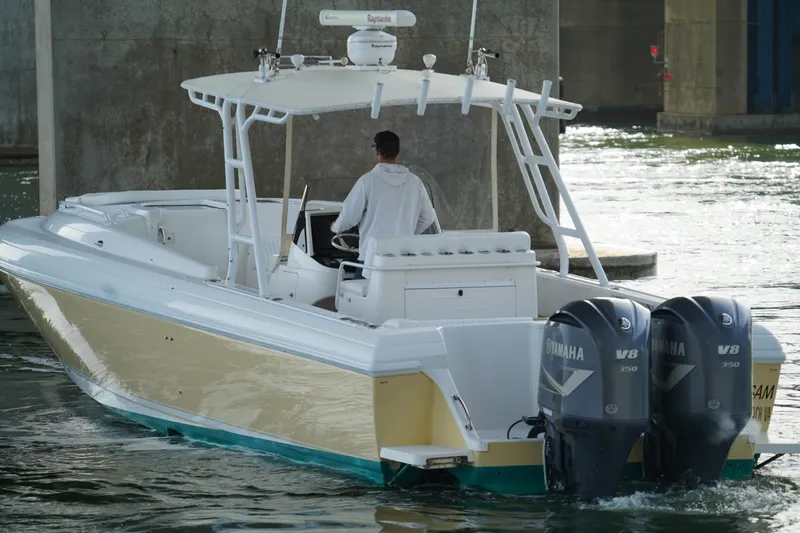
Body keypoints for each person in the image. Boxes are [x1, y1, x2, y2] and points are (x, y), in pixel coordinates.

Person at [331, 130, 437, 278]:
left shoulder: (367, 181)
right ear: (397, 152)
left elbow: (350, 217)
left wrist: (335, 227)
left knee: (365, 300)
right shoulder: (415, 182)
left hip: (371, 261)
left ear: (377, 151)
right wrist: (406, 233)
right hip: (403, 260)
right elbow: (428, 217)